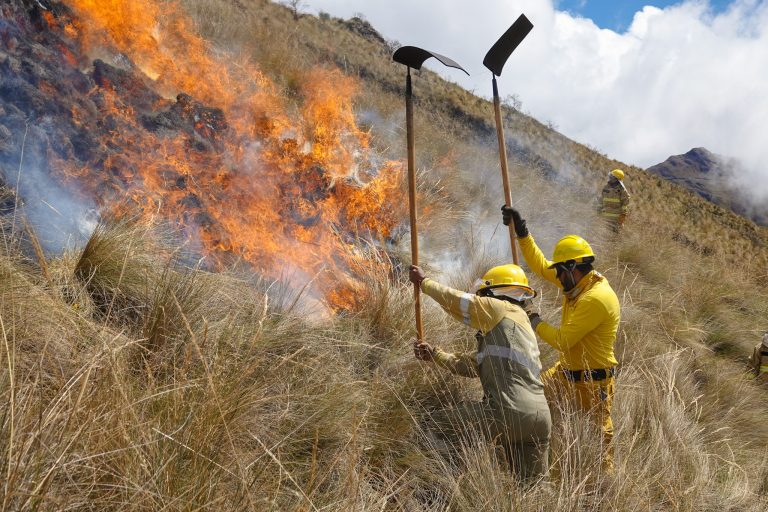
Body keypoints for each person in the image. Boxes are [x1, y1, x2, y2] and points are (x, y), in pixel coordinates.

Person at [502, 206, 620, 472]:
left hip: (592, 383)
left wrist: (533, 320)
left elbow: (563, 341)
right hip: (565, 374)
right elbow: (542, 266)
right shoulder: (578, 283)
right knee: (530, 401)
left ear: (571, 267)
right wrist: (522, 231)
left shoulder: (595, 298)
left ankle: (602, 489)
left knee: (598, 440)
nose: (555, 275)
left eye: (560, 270)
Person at [409, 263, 551, 482]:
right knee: (532, 487)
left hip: (507, 412)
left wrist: (424, 283)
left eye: (483, 295)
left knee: (432, 426)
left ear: (494, 293)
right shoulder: (518, 324)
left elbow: (459, 301)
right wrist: (435, 354)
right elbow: (473, 365)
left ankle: (442, 485)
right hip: (541, 419)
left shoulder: (500, 309)